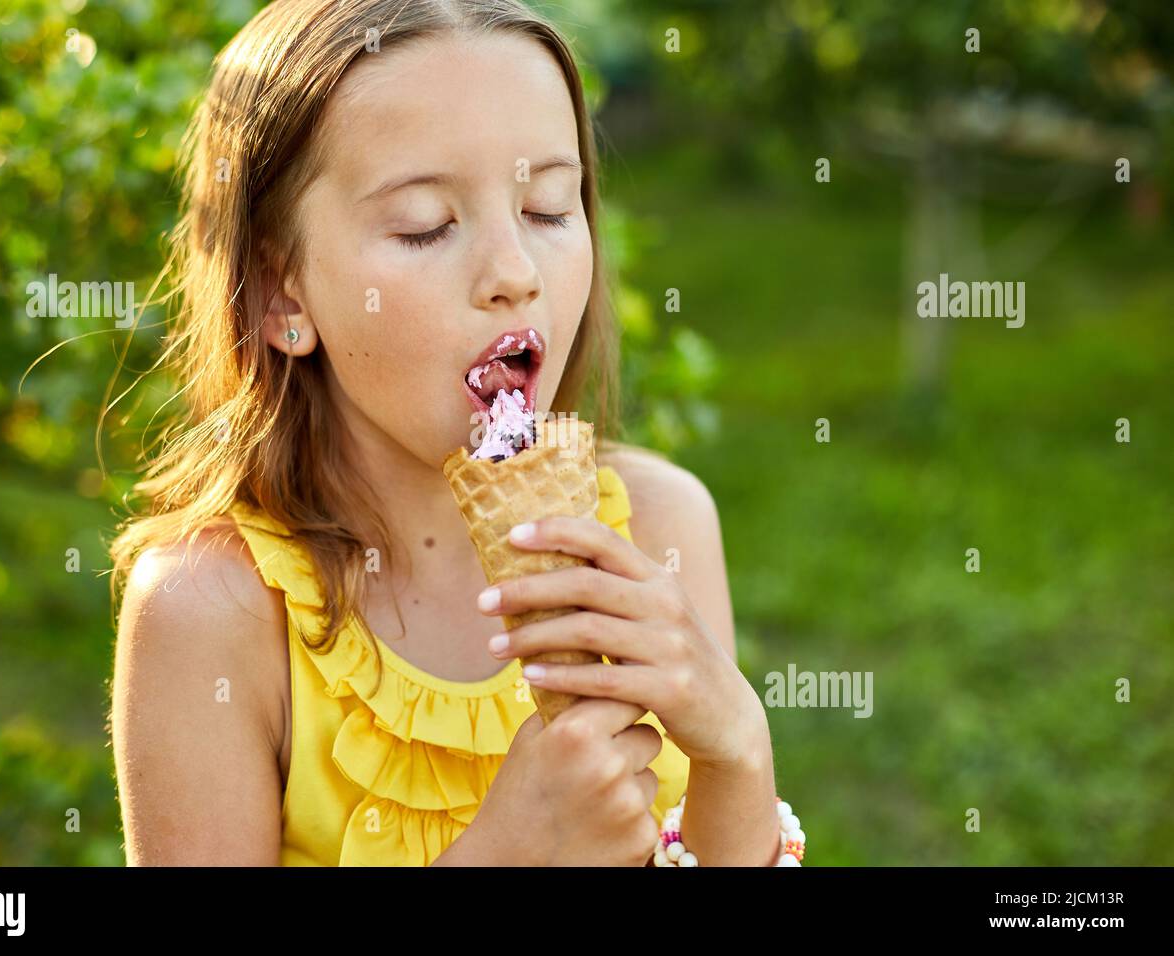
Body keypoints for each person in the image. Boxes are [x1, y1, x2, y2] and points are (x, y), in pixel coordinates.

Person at [108, 0, 781, 866]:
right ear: (283, 295)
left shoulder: (659, 529)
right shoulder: (212, 613)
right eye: (426, 222)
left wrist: (740, 756)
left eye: (547, 208)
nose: (514, 273)